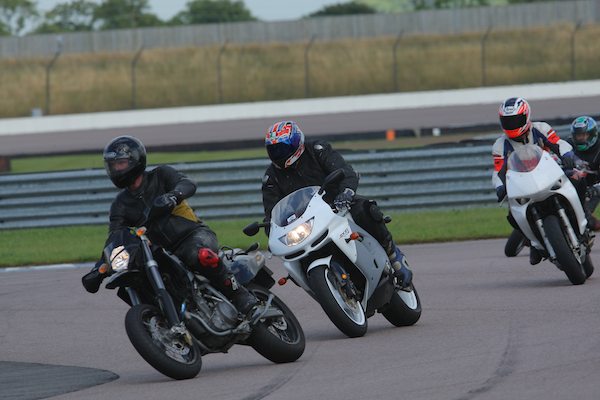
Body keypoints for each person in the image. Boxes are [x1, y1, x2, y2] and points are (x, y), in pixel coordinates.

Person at [82, 135, 257, 314]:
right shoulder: (120, 204)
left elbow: (188, 183)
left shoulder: (161, 175)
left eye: (120, 163)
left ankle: (240, 295)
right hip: (161, 251)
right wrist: (99, 269)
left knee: (199, 255)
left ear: (135, 159)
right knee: (135, 277)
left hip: (192, 235)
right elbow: (115, 238)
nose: (116, 169)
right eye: (113, 165)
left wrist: (173, 195)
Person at [260, 120, 413, 288]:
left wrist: (346, 193)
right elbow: (271, 213)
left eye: (282, 148)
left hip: (337, 206)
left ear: (297, 142)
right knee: (293, 262)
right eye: (274, 149)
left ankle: (393, 254)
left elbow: (345, 171)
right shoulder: (271, 178)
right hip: (305, 223)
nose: (279, 153)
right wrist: (272, 231)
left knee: (365, 209)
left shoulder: (317, 150)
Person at [492, 97, 583, 265]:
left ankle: (584, 220)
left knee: (577, 181)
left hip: (549, 172)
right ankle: (534, 244)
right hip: (523, 182)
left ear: (526, 116)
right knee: (513, 214)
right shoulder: (500, 145)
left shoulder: (541, 128)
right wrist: (500, 187)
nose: (512, 125)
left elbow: (558, 143)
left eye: (515, 120)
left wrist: (567, 154)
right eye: (508, 121)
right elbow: (498, 171)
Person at [566, 116, 600, 230]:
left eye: (583, 135)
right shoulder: (568, 145)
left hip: (594, 187)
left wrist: (596, 188)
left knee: (584, 219)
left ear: (593, 135)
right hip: (572, 184)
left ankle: (590, 221)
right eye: (578, 136)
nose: (580, 139)